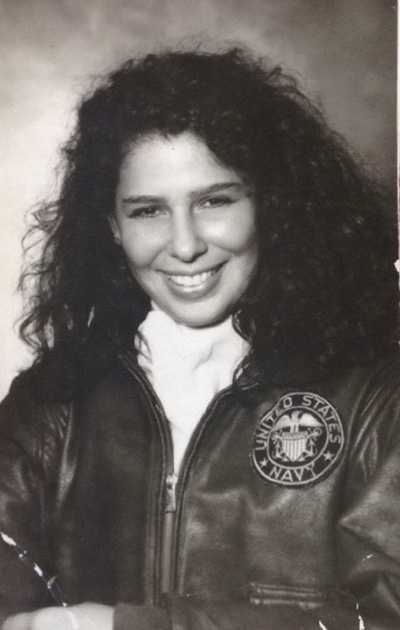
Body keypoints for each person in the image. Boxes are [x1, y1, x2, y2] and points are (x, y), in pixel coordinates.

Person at [0, 48, 399, 630]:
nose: (185, 245)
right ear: (111, 227)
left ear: (271, 205)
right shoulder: (54, 400)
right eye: (147, 211)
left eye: (214, 201)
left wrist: (133, 627)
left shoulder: (376, 394)